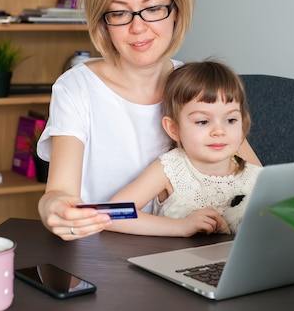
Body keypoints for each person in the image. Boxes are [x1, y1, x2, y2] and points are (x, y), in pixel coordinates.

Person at [37, 0, 261, 241]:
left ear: (176, 10)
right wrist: (56, 207)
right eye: (119, 12)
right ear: (103, 22)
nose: (138, 27)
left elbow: (258, 182)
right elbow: (60, 192)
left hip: (186, 255)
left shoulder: (195, 86)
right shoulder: (77, 88)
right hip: (102, 255)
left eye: (153, 8)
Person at [107, 61, 262, 235]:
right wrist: (181, 226)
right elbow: (113, 214)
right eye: (203, 121)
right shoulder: (170, 169)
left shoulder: (254, 176)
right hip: (170, 259)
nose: (219, 131)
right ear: (174, 129)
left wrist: (227, 232)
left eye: (231, 120)